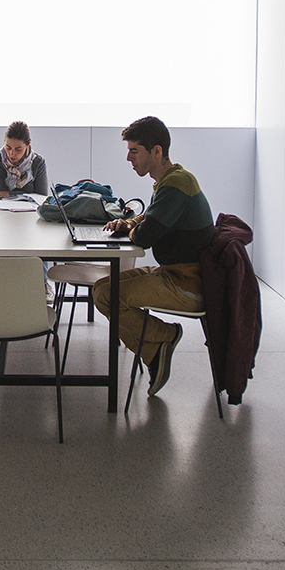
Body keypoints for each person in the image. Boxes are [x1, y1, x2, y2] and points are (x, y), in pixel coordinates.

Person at [92, 115, 214, 398]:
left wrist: (134, 227)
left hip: (186, 284)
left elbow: (146, 236)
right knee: (101, 290)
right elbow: (149, 218)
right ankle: (155, 351)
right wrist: (131, 223)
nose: (128, 158)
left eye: (134, 151)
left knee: (107, 296)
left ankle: (164, 338)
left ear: (156, 151)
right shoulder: (171, 180)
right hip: (174, 273)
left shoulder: (176, 184)